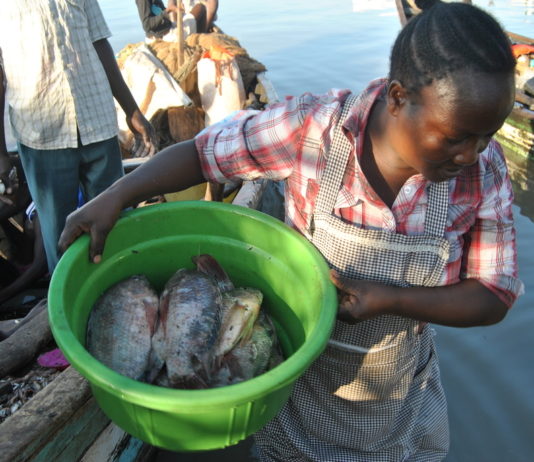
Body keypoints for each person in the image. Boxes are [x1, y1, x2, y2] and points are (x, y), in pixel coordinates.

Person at [59, 1, 524, 460]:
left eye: (487, 135)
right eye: (456, 136)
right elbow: (203, 156)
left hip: (395, 400)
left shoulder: (484, 172)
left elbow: (492, 294)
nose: (471, 153)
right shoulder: (313, 131)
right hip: (295, 385)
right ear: (399, 98)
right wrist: (115, 197)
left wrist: (391, 299)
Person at [0, 0, 157, 273]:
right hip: (43, 134)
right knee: (59, 235)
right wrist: (1, 154)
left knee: (116, 223)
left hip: (97, 121)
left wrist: (133, 112)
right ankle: (66, 304)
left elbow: (99, 43)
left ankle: (122, 288)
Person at [136, 0, 219, 43]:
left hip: (168, 29)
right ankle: (198, 43)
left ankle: (198, 37)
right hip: (165, 36)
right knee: (200, 8)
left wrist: (173, 11)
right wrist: (167, 12)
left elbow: (160, 12)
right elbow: (146, 25)